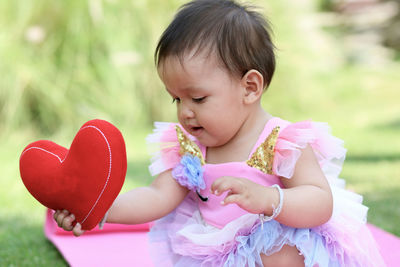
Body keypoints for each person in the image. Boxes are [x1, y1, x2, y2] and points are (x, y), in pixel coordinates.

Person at [54, 0, 385, 266]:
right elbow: (157, 198)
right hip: (221, 254)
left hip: (275, 246)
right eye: (176, 98)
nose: (185, 111)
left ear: (250, 87)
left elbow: (319, 202)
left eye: (197, 98)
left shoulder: (280, 141)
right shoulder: (189, 147)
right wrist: (100, 209)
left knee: (281, 249)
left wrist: (269, 199)